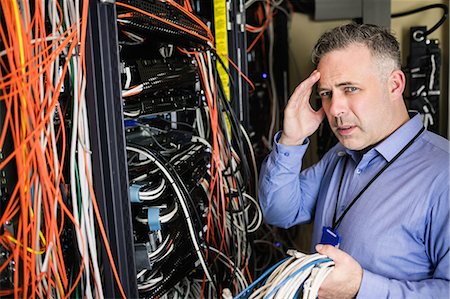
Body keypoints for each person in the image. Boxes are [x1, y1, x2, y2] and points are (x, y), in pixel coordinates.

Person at [258, 23, 449, 299]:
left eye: (350, 89)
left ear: (394, 85)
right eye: (326, 93)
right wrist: (291, 139)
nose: (334, 109)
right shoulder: (339, 155)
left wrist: (360, 288)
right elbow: (279, 212)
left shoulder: (443, 174)